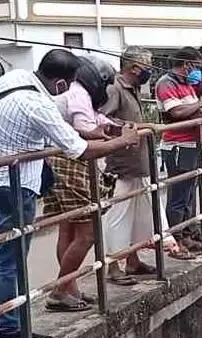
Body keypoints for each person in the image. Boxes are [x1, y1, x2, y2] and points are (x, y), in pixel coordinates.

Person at [0, 49, 138, 338]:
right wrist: (122, 141)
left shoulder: (16, 79)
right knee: (11, 256)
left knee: (4, 252)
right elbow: (80, 151)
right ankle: (11, 329)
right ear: (62, 83)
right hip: (13, 185)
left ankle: (2, 320)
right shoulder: (37, 104)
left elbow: (57, 128)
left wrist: (94, 131)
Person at [101, 46, 186, 285]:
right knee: (119, 215)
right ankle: (113, 266)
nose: (149, 70)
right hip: (122, 164)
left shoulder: (133, 88)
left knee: (136, 215)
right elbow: (104, 120)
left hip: (138, 162)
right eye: (148, 66)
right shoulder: (114, 88)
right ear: (134, 67)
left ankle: (133, 260)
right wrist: (137, 128)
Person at [45, 55, 116, 309]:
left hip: (60, 158)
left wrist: (112, 125)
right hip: (69, 161)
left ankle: (69, 287)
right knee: (87, 232)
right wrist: (117, 137)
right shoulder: (79, 94)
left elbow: (94, 121)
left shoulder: (77, 93)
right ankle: (60, 290)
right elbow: (85, 127)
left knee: (69, 228)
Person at [155, 47, 202, 253]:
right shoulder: (166, 83)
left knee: (190, 193)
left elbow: (195, 111)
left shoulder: (186, 85)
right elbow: (176, 112)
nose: (198, 72)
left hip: (193, 143)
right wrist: (200, 103)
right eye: (196, 67)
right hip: (177, 145)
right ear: (187, 65)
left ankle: (188, 232)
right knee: (178, 195)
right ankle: (177, 238)